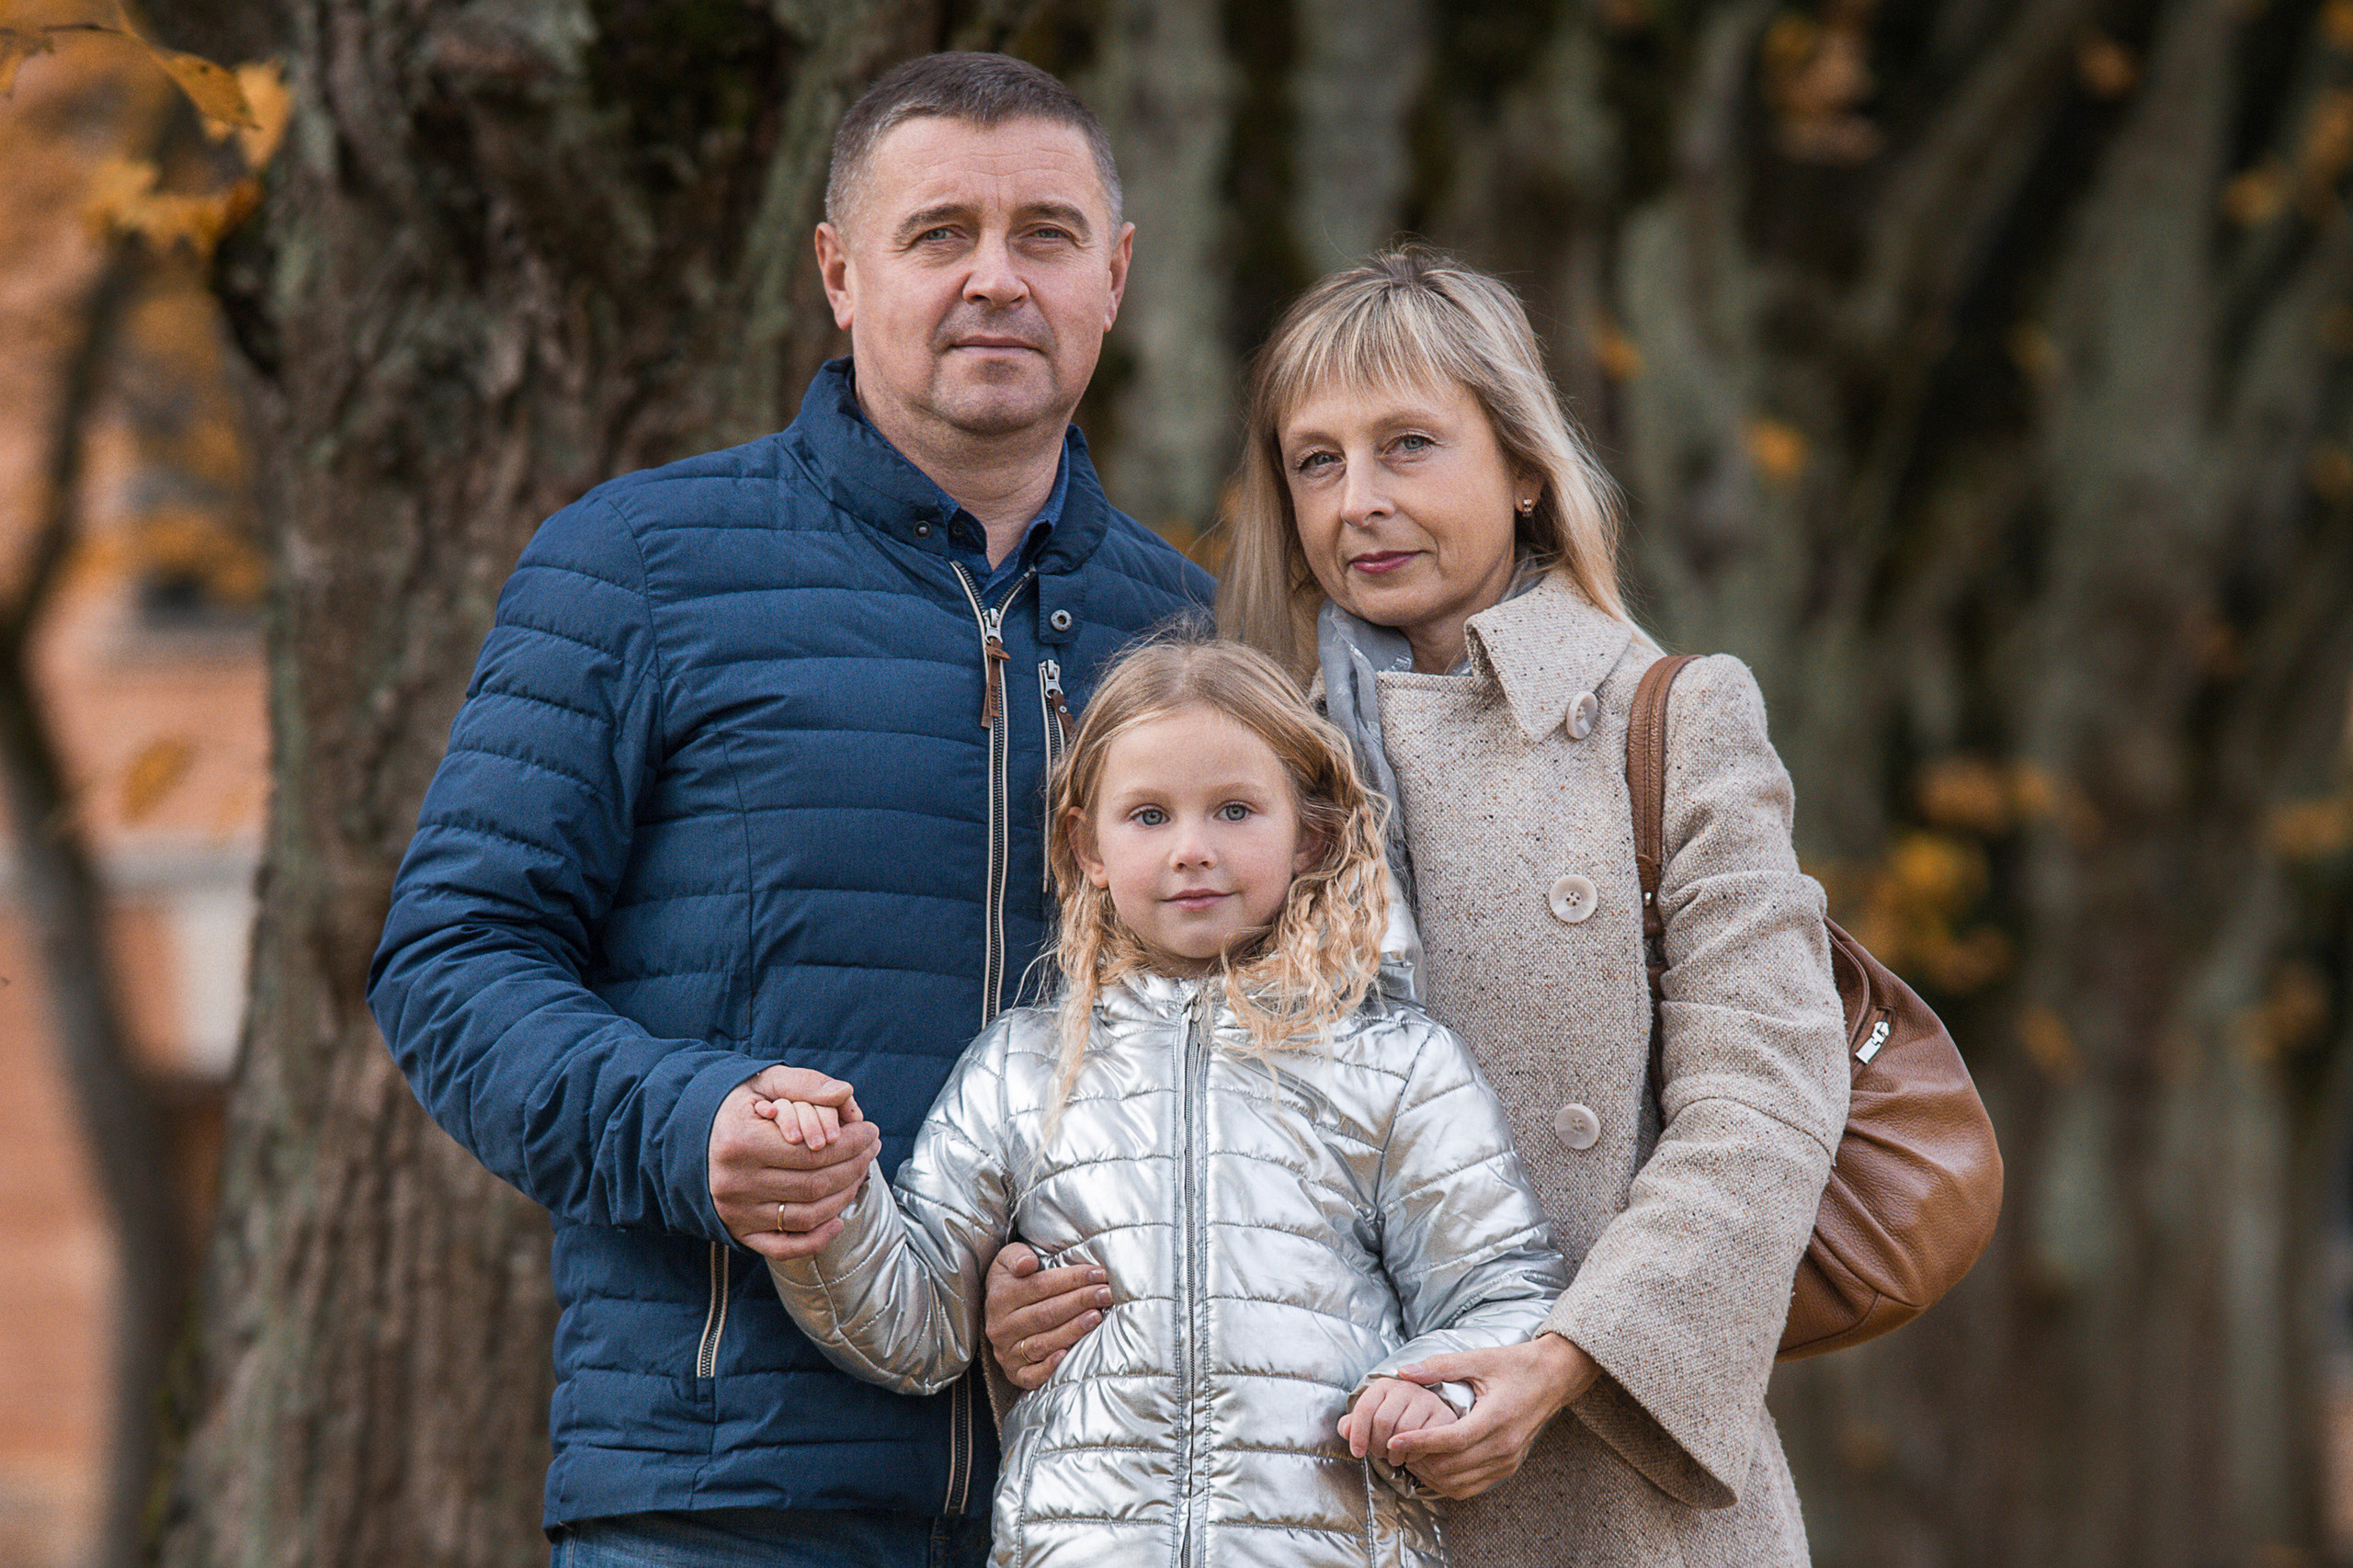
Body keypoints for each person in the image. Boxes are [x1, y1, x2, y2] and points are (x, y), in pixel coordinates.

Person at [366, 51, 1211, 1568]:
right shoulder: (640, 567)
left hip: (1109, 1496)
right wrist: (693, 1128)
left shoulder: (1200, 642)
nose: (996, 280)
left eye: (1046, 235)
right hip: (727, 1495)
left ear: (1116, 274)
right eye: (939, 232)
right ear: (839, 272)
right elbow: (453, 959)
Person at [987, 249, 1850, 1563]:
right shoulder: (1240, 765)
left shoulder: (1671, 719)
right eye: (1318, 461)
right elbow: (1122, 1088)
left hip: (1611, 1483)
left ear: (1519, 463)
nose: (1362, 503)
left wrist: (1560, 1359)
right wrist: (1032, 1281)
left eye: (1409, 446)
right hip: (1306, 1498)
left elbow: (1768, 1100)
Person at [759, 638, 1567, 1567]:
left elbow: (1501, 1287)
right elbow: (917, 1327)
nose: (1191, 849)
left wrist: (1439, 1396)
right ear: (1085, 847)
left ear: (1306, 833)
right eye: (1148, 815)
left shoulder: (1394, 1060)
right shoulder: (1020, 1065)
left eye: (1234, 809)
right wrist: (826, 1199)